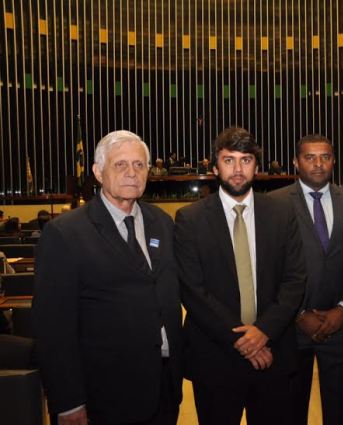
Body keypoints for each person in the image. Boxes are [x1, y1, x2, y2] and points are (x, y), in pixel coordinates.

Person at [32, 130, 183, 425]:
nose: (132, 173)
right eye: (120, 165)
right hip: (105, 396)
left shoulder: (162, 223)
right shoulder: (65, 233)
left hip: (164, 387)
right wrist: (68, 402)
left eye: (139, 165)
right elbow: (53, 328)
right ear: (98, 172)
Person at [174, 127, 305, 425]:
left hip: (273, 353)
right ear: (215, 165)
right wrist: (245, 341)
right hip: (216, 359)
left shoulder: (282, 213)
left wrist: (263, 332)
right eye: (228, 160)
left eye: (245, 160)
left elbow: (295, 280)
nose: (237, 169)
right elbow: (193, 291)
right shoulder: (189, 219)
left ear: (256, 166)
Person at [269, 134, 343, 425]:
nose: (318, 163)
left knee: (339, 411)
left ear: (333, 161)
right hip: (291, 327)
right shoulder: (274, 204)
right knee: (290, 409)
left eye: (324, 156)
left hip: (341, 325)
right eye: (309, 157)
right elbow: (270, 269)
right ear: (295, 162)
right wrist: (299, 313)